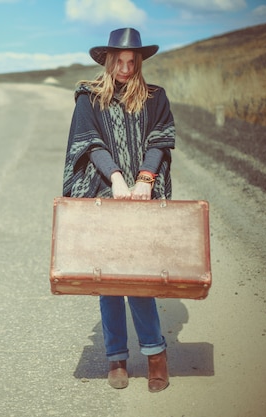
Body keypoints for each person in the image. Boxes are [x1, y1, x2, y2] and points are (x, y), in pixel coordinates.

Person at [63, 28, 176, 392]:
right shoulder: (89, 97)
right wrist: (116, 178)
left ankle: (156, 354)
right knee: (108, 280)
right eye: (120, 61)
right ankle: (117, 359)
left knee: (139, 278)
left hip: (144, 195)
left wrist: (145, 179)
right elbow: (89, 142)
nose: (126, 68)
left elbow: (160, 138)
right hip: (103, 191)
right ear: (109, 60)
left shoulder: (155, 97)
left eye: (132, 61)